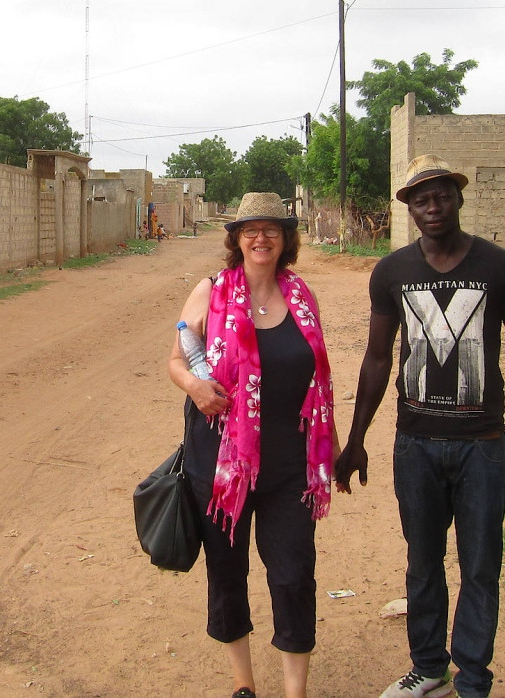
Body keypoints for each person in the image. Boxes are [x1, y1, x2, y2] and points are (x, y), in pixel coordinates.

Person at [334, 155, 505, 698]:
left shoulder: (500, 266)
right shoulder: (391, 272)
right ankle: (429, 667)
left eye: (441, 195)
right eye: (421, 199)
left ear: (458, 199)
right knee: (423, 562)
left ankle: (473, 680)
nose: (432, 206)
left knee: (481, 565)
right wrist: (356, 440)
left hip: (482, 446)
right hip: (414, 444)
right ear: (409, 209)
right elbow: (375, 359)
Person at [168, 191, 340, 698]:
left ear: (286, 240)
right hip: (222, 465)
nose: (260, 238)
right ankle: (243, 685)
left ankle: (295, 691)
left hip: (290, 464)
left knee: (293, 575)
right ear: (237, 239)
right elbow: (176, 361)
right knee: (227, 573)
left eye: (271, 229)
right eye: (250, 230)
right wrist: (196, 386)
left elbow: (315, 375)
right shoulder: (211, 291)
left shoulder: (302, 295)